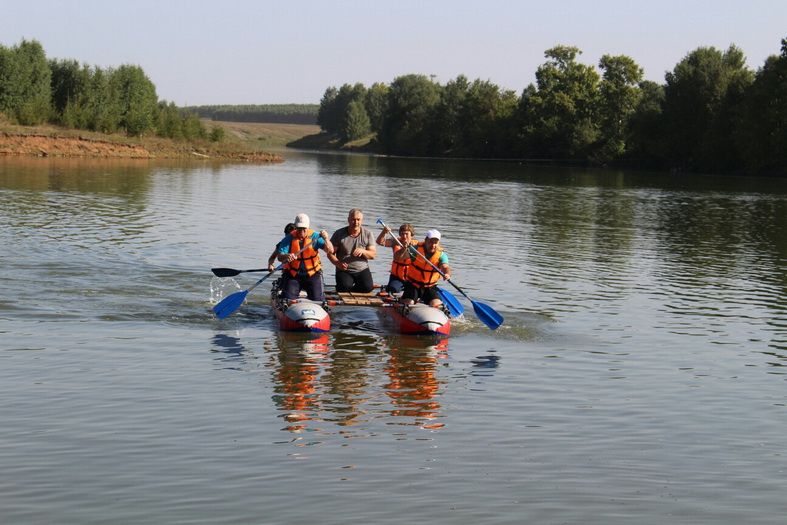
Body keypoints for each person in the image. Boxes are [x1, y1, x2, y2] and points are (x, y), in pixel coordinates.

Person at [276, 213, 334, 302]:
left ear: (308, 227)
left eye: (304, 229)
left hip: (313, 274)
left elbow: (330, 251)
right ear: (295, 227)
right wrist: (287, 256)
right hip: (293, 275)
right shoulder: (289, 238)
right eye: (299, 229)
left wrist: (326, 239)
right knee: (287, 300)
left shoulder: (315, 237)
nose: (301, 231)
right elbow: (280, 257)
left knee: (318, 300)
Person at [397, 229, 451, 308]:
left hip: (429, 287)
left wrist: (447, 274)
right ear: (425, 240)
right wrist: (404, 248)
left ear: (438, 243)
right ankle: (402, 300)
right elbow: (397, 258)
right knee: (409, 303)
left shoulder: (442, 255)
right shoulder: (415, 250)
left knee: (436, 304)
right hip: (413, 285)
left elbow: (445, 267)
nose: (433, 245)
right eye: (430, 242)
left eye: (435, 242)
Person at [327, 208, 376, 293]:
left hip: (362, 269)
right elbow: (330, 254)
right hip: (344, 270)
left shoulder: (368, 234)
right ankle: (344, 286)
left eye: (358, 220)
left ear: (362, 220)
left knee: (368, 288)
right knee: (344, 287)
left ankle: (352, 288)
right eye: (353, 219)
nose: (356, 222)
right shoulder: (339, 234)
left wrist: (363, 251)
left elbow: (373, 255)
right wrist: (338, 263)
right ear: (348, 220)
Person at [376, 222, 418, 294]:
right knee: (393, 289)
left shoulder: (417, 245)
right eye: (402, 234)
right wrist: (384, 232)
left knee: (415, 291)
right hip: (397, 277)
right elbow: (379, 242)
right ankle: (389, 288)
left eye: (406, 234)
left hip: (411, 278)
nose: (404, 236)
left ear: (411, 235)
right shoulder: (395, 242)